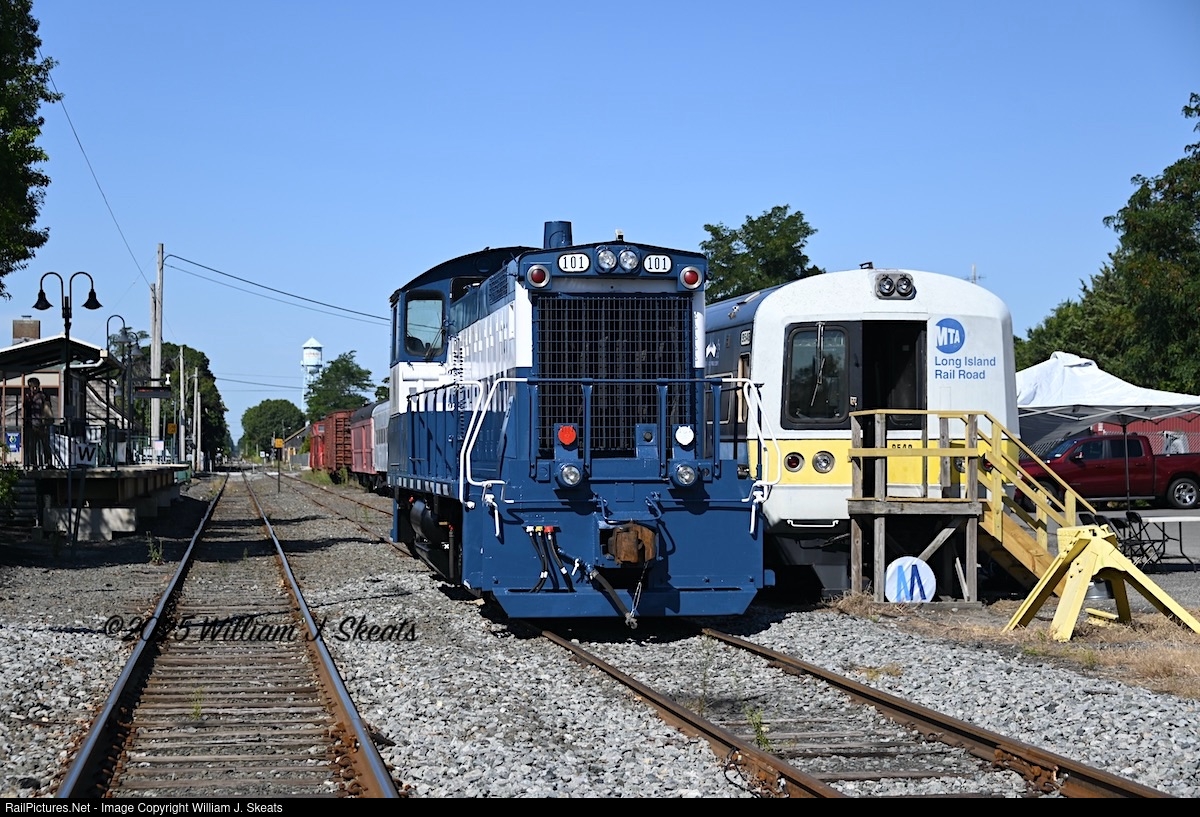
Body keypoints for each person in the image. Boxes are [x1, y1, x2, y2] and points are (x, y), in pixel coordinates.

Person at [23, 378, 53, 468]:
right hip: (31, 424)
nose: (35, 388)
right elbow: (26, 408)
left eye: (36, 386)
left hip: (42, 424)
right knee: (32, 445)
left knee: (45, 444)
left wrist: (46, 420)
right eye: (33, 387)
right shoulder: (28, 396)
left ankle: (48, 463)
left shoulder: (43, 396)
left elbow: (47, 408)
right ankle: (33, 463)